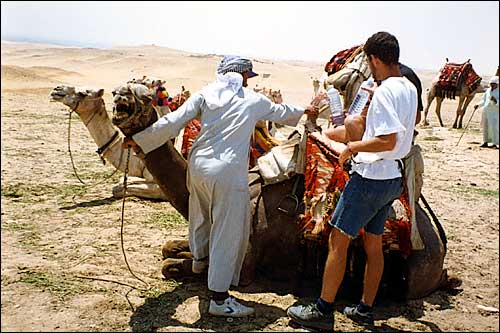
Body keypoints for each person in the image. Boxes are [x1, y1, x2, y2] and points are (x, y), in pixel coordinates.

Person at [123, 55, 318, 317]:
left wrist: (141, 140)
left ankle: (200, 264)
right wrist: (307, 111)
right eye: (248, 76)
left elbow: (173, 121)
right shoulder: (252, 100)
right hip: (226, 172)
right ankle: (219, 299)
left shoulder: (205, 94)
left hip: (198, 167)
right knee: (227, 231)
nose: (248, 81)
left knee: (200, 217)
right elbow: (281, 113)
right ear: (243, 76)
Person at [287, 31, 418, 330]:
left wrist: (351, 147)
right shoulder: (408, 87)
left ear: (373, 59)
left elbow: (386, 139)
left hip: (370, 177)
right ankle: (364, 309)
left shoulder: (385, 90)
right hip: (391, 179)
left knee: (338, 239)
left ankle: (322, 310)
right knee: (373, 245)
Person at [476, 76, 499, 149]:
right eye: (491, 83)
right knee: (485, 127)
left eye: (493, 84)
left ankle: (495, 143)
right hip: (486, 111)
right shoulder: (488, 91)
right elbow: (484, 100)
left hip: (494, 113)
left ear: (497, 84)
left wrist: (496, 101)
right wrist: (478, 105)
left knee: (494, 128)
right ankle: (485, 142)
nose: (492, 85)